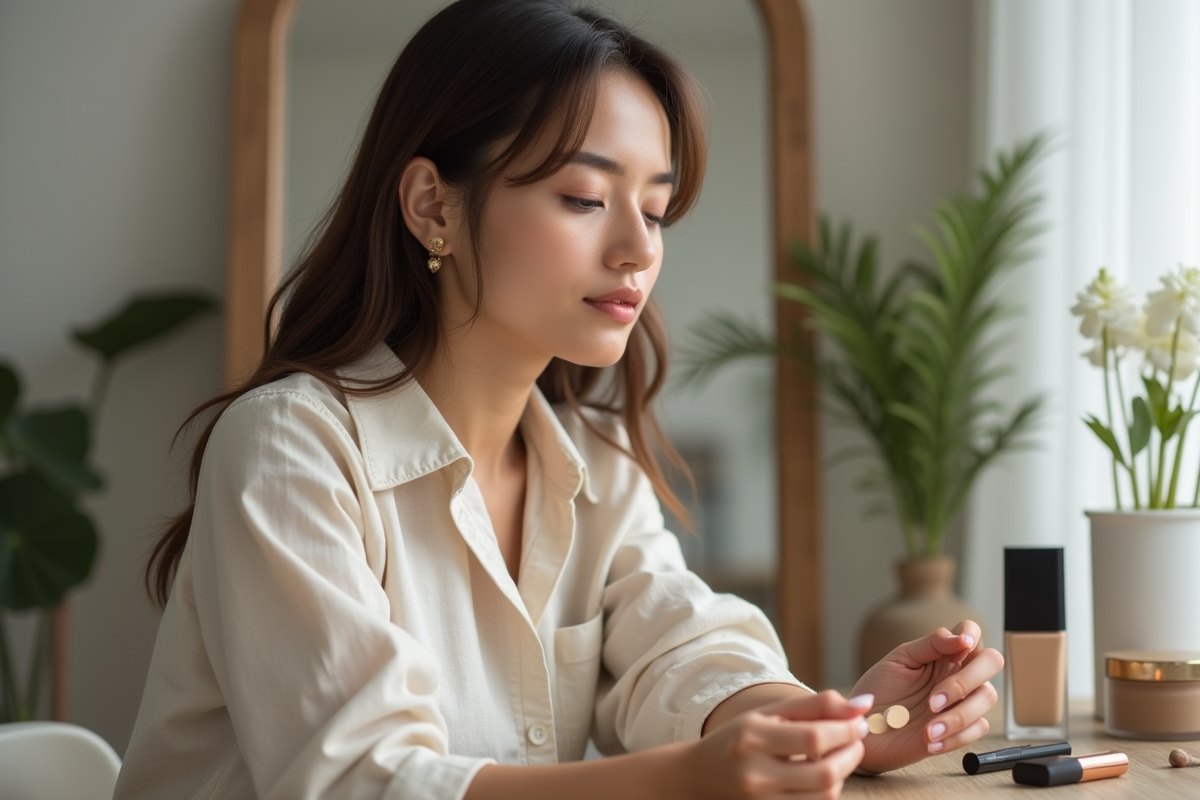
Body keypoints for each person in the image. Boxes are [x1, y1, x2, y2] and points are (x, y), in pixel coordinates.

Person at [114, 1, 1003, 798]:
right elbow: (361, 780)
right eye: (583, 197)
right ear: (433, 207)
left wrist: (831, 726)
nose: (637, 250)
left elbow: (683, 650)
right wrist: (682, 780)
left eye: (655, 210)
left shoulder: (596, 466)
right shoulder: (290, 448)